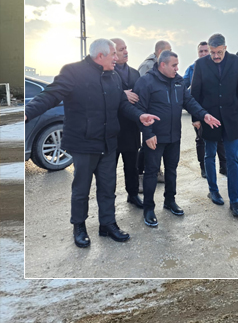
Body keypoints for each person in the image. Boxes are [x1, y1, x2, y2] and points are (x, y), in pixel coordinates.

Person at [24, 39, 159, 248]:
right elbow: (50, 95)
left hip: (108, 143)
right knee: (81, 190)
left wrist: (139, 116)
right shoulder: (73, 72)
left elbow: (123, 104)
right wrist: (26, 113)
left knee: (108, 188)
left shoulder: (113, 76)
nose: (117, 58)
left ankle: (107, 224)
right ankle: (79, 226)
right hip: (84, 144)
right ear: (100, 56)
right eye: (114, 54)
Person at [134, 50, 221, 227]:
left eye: (177, 65)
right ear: (162, 65)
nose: (177, 68)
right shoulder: (146, 82)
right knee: (151, 172)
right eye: (174, 65)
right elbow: (140, 110)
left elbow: (189, 102)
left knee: (171, 170)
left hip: (174, 136)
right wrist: (148, 134)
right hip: (155, 138)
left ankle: (170, 201)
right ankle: (149, 208)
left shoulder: (179, 82)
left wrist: (204, 115)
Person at [190, 33, 238, 217]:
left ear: (225, 47)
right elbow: (196, 93)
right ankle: (213, 190)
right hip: (209, 118)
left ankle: (235, 201)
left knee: (233, 159)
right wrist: (196, 117)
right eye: (212, 52)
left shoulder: (236, 62)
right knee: (209, 155)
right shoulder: (200, 64)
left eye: (219, 52)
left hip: (231, 118)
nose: (215, 56)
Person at [110, 38, 143, 208]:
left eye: (126, 48)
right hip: (113, 129)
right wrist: (122, 94)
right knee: (110, 170)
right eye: (121, 49)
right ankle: (109, 200)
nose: (126, 51)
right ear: (113, 53)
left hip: (131, 128)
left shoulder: (135, 73)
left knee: (132, 167)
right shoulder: (106, 73)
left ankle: (133, 194)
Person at [184, 41, 226, 177]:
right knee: (201, 140)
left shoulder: (219, 67)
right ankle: (204, 168)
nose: (203, 54)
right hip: (199, 111)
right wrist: (195, 117)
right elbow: (183, 86)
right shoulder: (192, 68)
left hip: (217, 111)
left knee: (220, 139)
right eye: (200, 51)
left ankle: (224, 166)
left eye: (205, 51)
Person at [137, 41, 172, 182]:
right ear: (159, 52)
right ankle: (140, 175)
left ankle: (157, 172)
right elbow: (142, 90)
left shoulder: (159, 64)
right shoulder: (147, 66)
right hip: (149, 113)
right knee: (147, 146)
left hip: (159, 114)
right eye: (167, 51)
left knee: (156, 145)